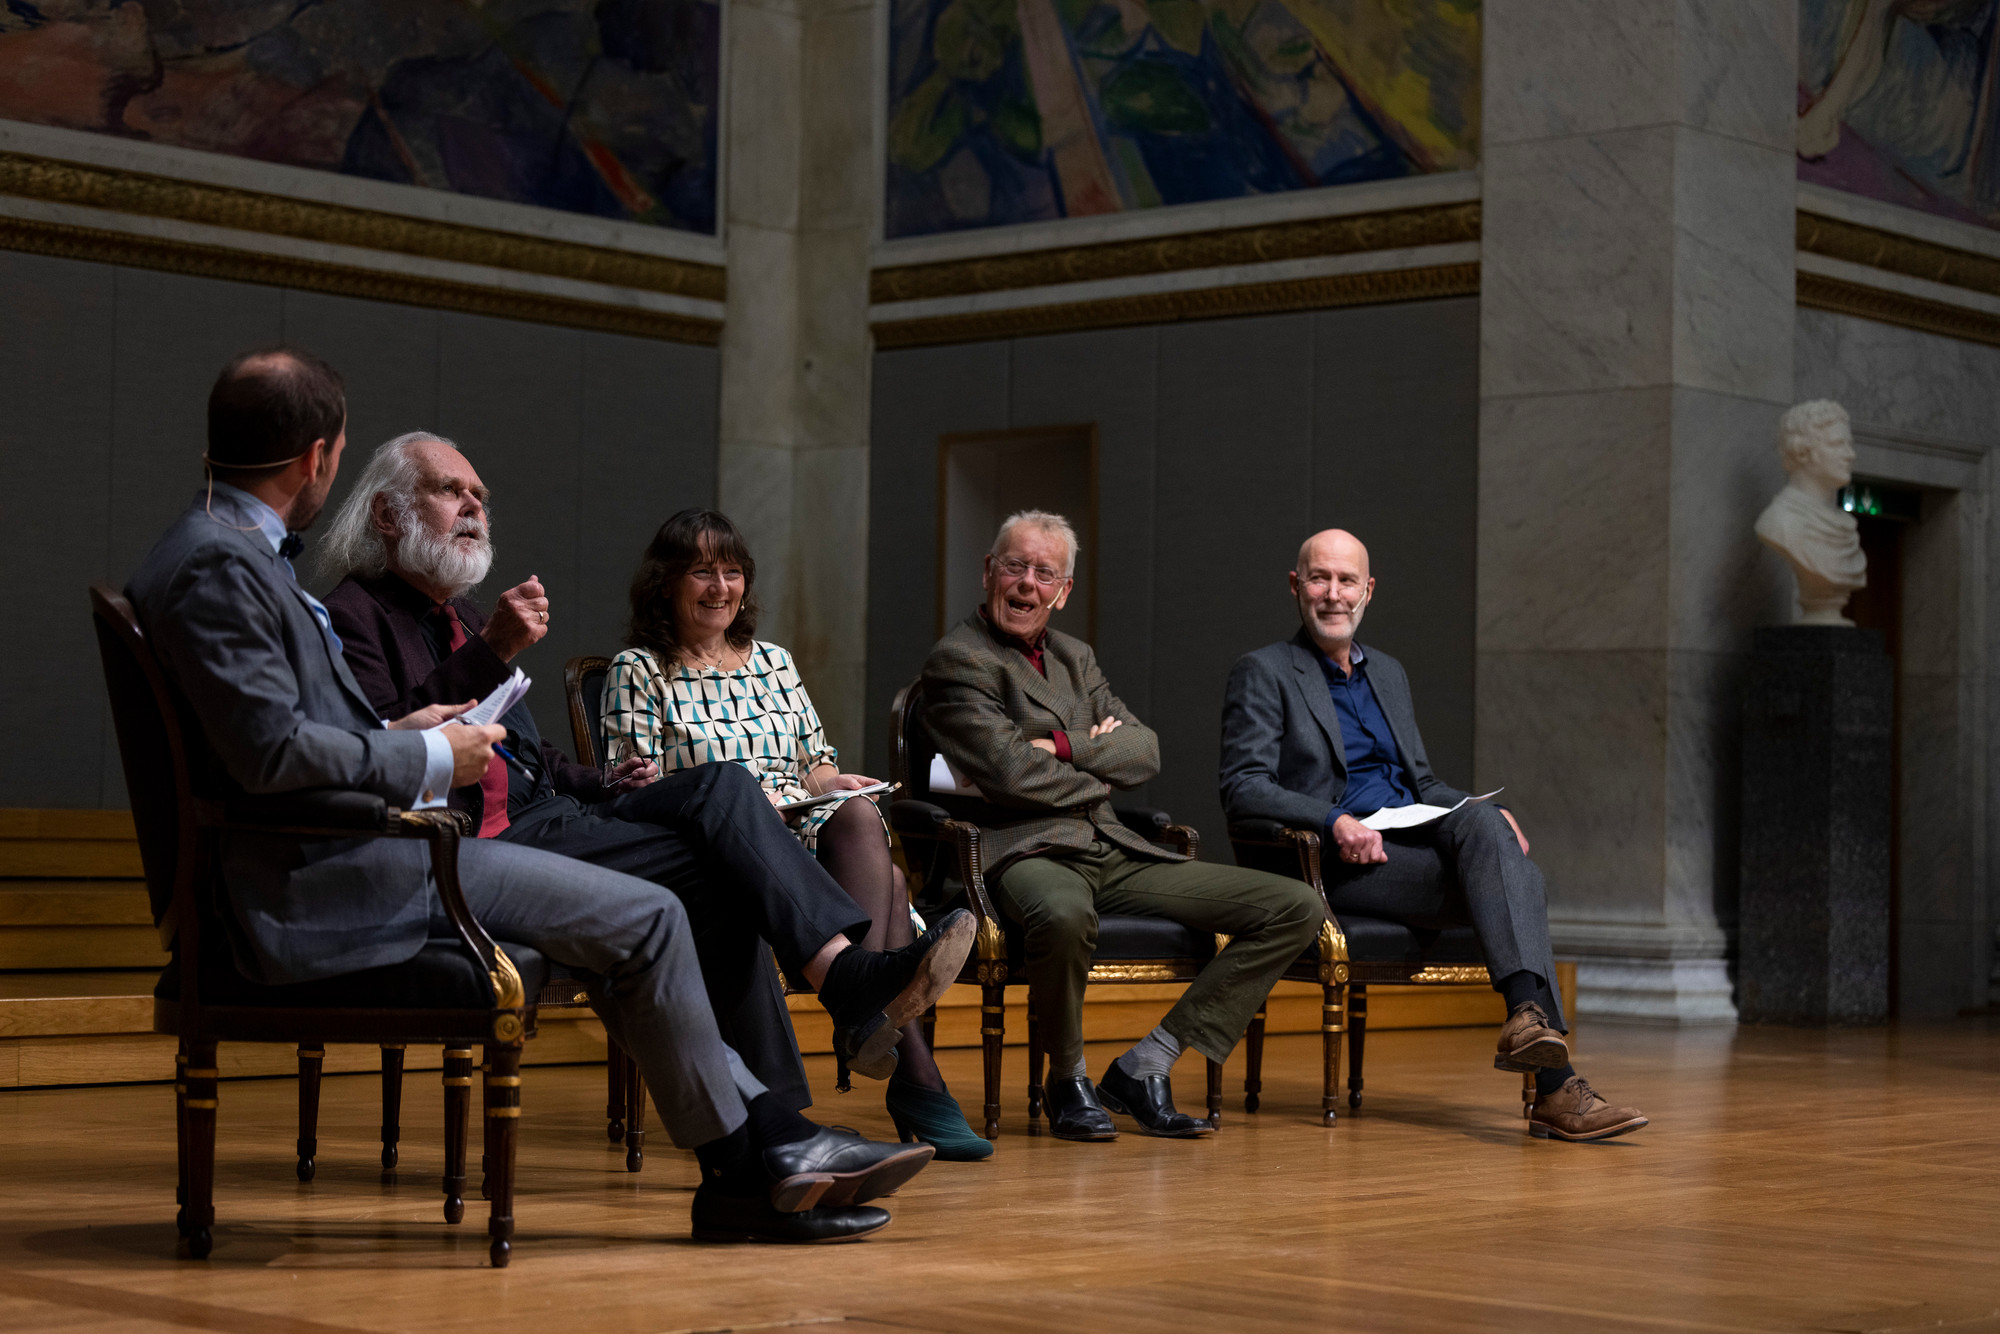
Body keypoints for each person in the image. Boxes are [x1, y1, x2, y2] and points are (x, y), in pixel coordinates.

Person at [130, 347, 949, 1244]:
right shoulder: (224, 564)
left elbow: (299, 738)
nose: (475, 506)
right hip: (355, 866)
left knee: (704, 862)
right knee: (655, 912)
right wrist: (428, 754)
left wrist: (412, 741)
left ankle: (769, 1153)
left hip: (394, 841)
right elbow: (270, 754)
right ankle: (764, 1153)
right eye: (454, 491)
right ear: (320, 459)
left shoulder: (235, 554)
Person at [317, 435, 975, 1118]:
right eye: (450, 491)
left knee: (724, 809)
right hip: (472, 848)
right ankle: (832, 1005)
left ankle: (782, 1117)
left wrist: (606, 781)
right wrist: (492, 654)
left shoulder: (463, 617)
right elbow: (386, 748)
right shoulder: (353, 617)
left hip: (548, 820)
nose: (472, 507)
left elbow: (524, 757)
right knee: (725, 814)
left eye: (479, 496)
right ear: (389, 515)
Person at [1218, 528, 1649, 1142]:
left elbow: (1422, 782)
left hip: (1412, 842)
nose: (1333, 594)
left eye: (1347, 581)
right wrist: (1332, 820)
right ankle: (1558, 1089)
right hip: (1338, 862)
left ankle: (1532, 1032)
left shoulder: (1387, 673)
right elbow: (1244, 786)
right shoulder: (1263, 672)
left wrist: (1485, 813)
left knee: (1488, 826)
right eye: (1320, 578)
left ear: (1369, 590)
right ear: (1296, 586)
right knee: (1519, 880)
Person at [921, 510, 1324, 1142]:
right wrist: (1094, 763)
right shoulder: (959, 659)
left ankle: (1147, 1064)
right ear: (988, 572)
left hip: (1109, 844)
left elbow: (1147, 751)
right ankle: (1068, 1078)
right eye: (1016, 567)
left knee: (1295, 906)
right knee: (1060, 915)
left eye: (1044, 573)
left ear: (1064, 590)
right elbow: (1008, 774)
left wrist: (1057, 744)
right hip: (1023, 850)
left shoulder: (1076, 657)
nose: (1027, 584)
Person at [600, 509, 990, 1161]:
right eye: (702, 571)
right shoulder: (637, 668)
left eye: (733, 572)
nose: (720, 587)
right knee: (890, 882)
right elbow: (636, 783)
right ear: (665, 583)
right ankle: (911, 1070)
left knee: (861, 815)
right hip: (714, 843)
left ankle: (870, 1014)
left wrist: (830, 783)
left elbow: (814, 760)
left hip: (801, 827)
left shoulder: (774, 661)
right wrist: (755, 804)